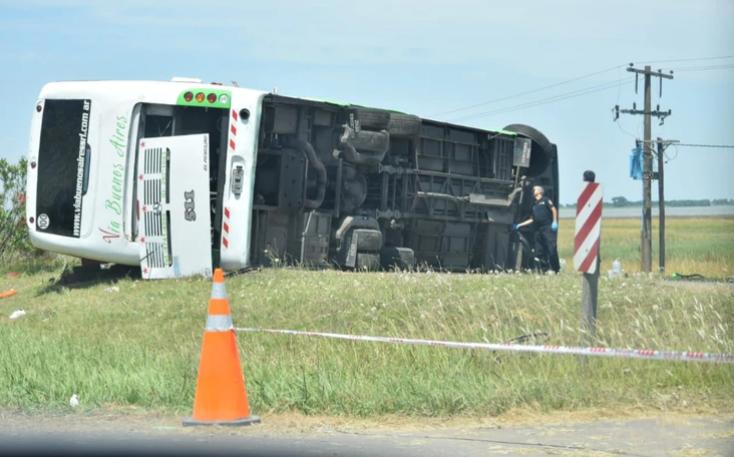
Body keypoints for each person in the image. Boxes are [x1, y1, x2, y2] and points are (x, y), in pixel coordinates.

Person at [513, 185, 560, 273]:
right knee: (539, 250)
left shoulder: (545, 200)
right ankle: (544, 269)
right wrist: (519, 225)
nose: (532, 191)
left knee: (551, 248)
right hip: (538, 229)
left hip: (547, 227)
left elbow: (553, 209)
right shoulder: (535, 204)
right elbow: (532, 219)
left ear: (539, 192)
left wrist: (554, 222)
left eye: (534, 190)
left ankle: (555, 269)